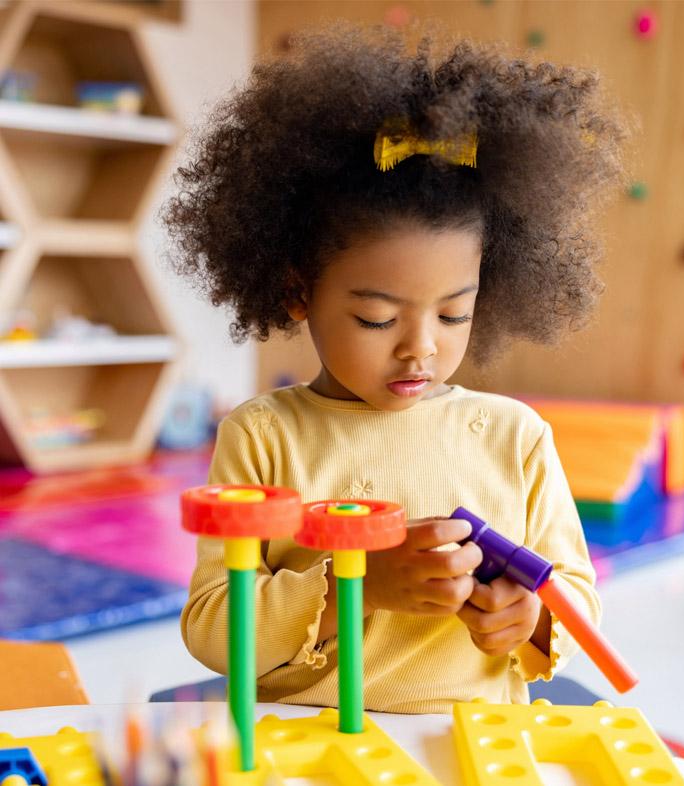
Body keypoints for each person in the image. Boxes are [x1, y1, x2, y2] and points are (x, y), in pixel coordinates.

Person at [163, 23, 624, 713]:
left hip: (470, 744)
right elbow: (212, 632)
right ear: (297, 292)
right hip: (309, 744)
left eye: (452, 314)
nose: (420, 348)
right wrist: (359, 584)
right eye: (378, 319)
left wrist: (529, 620)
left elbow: (572, 599)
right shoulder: (262, 436)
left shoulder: (514, 436)